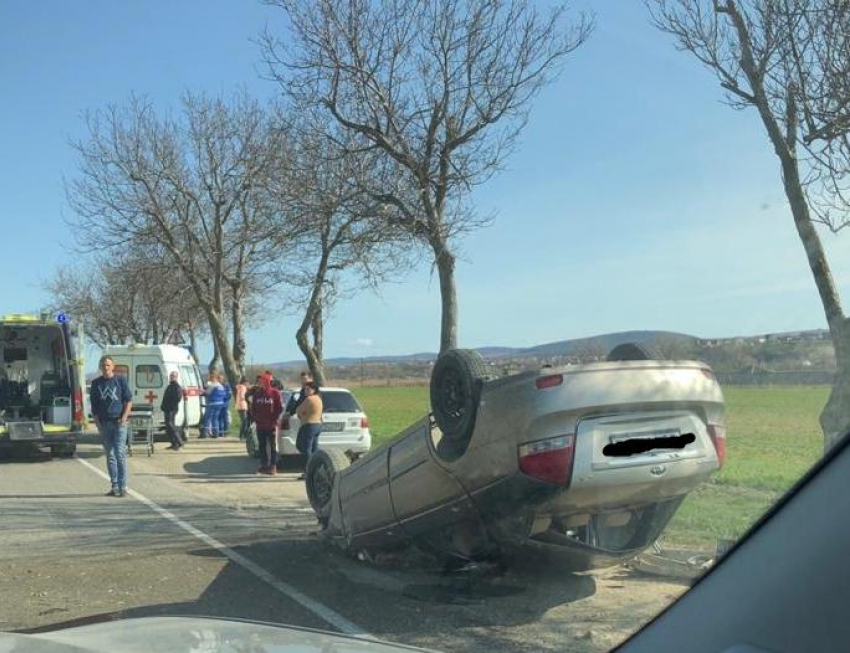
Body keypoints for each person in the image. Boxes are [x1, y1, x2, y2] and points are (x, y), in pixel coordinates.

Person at [89, 355, 132, 497]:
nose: (105, 368)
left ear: (113, 366)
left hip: (119, 422)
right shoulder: (96, 383)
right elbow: (94, 406)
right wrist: (97, 424)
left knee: (120, 453)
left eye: (108, 365)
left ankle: (123, 485)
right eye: (103, 365)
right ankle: (114, 485)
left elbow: (128, 400)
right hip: (105, 423)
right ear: (100, 367)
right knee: (110, 455)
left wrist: (124, 418)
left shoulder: (120, 380)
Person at [249, 373, 282, 475]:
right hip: (260, 425)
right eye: (259, 382)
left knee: (272, 446)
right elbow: (253, 408)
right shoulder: (257, 394)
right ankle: (264, 465)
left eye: (262, 381)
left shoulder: (275, 393)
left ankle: (273, 466)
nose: (260, 383)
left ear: (267, 381)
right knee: (262, 446)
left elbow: (279, 407)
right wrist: (256, 418)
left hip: (271, 425)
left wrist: (274, 419)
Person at [295, 381, 323, 480]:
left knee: (304, 447)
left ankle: (309, 471)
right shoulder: (319, 398)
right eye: (305, 389)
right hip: (318, 425)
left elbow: (298, 410)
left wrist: (301, 413)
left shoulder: (309, 399)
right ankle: (317, 470)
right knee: (314, 449)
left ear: (314, 390)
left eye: (308, 389)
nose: (306, 391)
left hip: (309, 425)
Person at [160, 371, 184, 451]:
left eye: (173, 375)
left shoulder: (176, 386)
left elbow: (178, 398)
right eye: (171, 375)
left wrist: (171, 405)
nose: (172, 377)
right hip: (167, 409)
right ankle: (174, 443)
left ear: (176, 377)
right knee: (168, 427)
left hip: (171, 409)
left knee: (170, 425)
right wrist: (163, 406)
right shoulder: (170, 386)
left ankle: (179, 441)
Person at [201, 372, 226, 439]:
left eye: (210, 377)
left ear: (213, 378)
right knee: (215, 419)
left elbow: (207, 393)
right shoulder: (221, 386)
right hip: (220, 404)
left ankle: (205, 434)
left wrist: (202, 392)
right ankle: (216, 434)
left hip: (212, 403)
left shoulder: (213, 385)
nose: (209, 378)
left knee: (207, 418)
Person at [235, 377, 249, 441]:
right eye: (247, 383)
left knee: (244, 421)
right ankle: (242, 436)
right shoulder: (243, 388)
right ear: (244, 382)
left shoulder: (239, 387)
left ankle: (242, 436)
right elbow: (242, 396)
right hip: (242, 406)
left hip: (240, 406)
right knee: (244, 422)